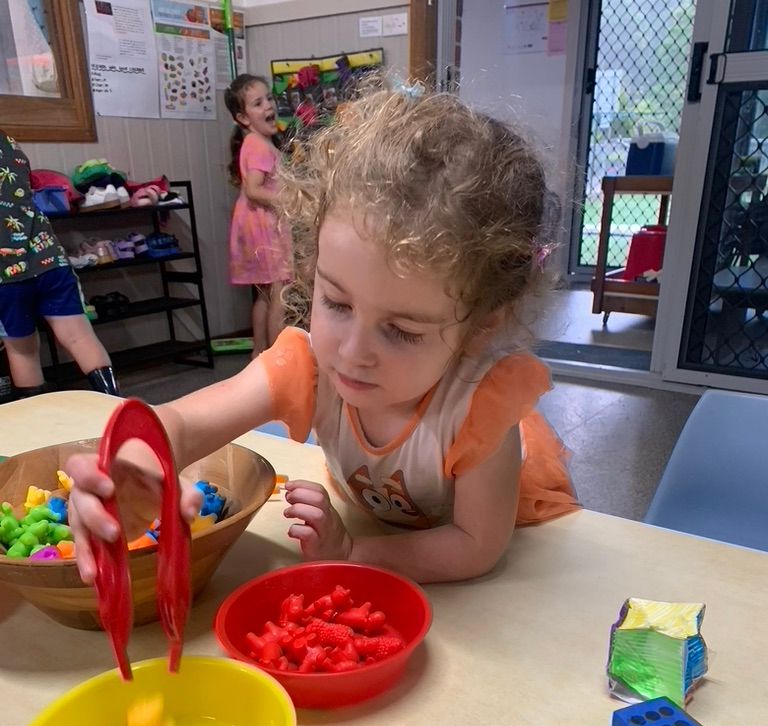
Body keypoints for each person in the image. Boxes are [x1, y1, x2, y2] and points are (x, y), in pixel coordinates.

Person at [67, 87, 579, 586]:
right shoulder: (310, 363)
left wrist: (355, 553)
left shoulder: (481, 408)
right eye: (336, 302)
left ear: (482, 322)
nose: (352, 354)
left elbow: (474, 545)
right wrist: (130, 466)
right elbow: (176, 423)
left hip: (500, 528)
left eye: (401, 331)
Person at [0, 129, 119, 399]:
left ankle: (41, 427)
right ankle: (117, 409)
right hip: (47, 257)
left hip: (5, 273)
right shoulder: (8, 142)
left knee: (22, 350)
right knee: (79, 336)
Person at [224, 74, 292, 356]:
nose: (268, 106)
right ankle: (277, 354)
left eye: (269, 99)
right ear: (243, 117)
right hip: (264, 226)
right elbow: (253, 189)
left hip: (254, 224)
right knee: (279, 290)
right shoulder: (260, 146)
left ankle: (260, 352)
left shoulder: (254, 142)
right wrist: (291, 198)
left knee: (264, 293)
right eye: (258, 103)